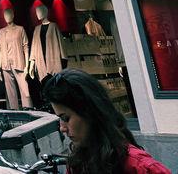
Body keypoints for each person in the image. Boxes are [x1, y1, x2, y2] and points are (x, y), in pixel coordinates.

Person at [42, 69, 171, 174]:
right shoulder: (78, 164)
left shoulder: (140, 167)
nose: (62, 128)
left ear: (89, 112)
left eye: (66, 118)